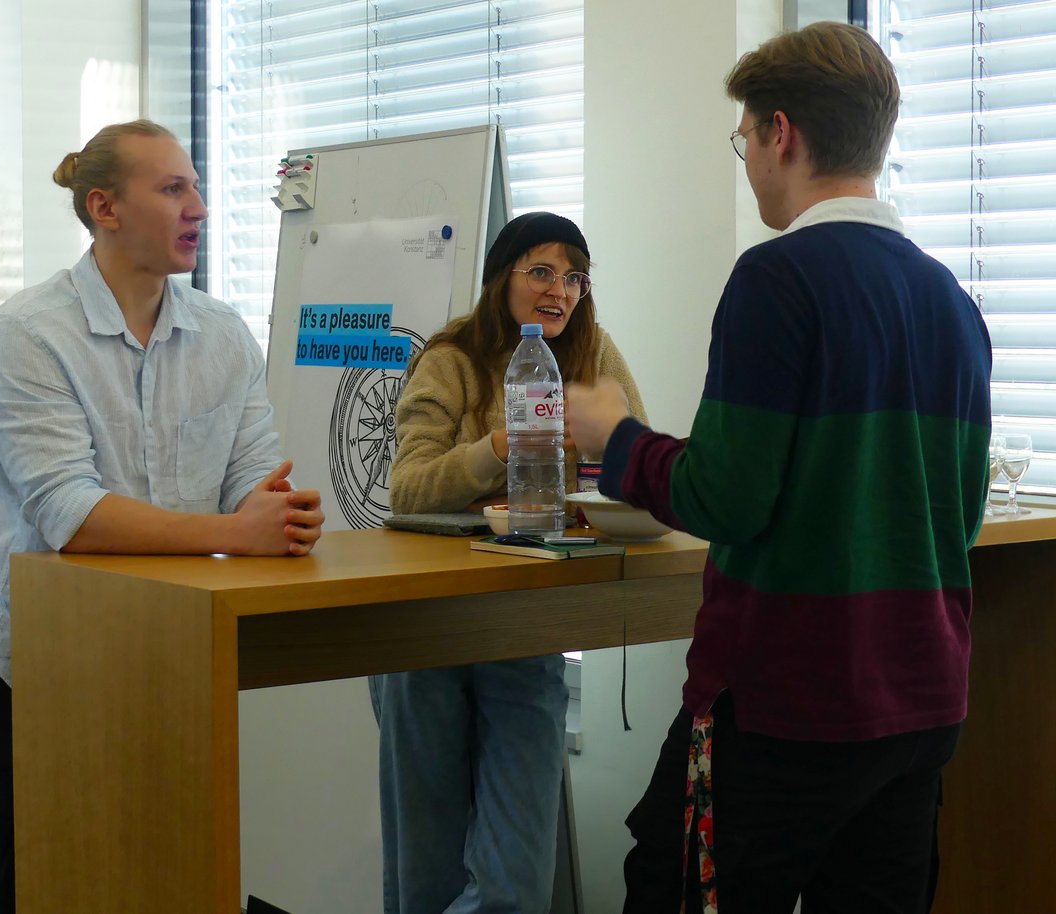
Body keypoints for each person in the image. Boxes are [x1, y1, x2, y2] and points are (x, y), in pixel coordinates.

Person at [566, 22, 991, 914]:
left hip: (789, 703)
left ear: (781, 133)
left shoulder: (777, 279)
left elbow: (726, 492)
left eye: (745, 138)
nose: (749, 159)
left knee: (671, 887)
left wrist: (618, 439)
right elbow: (962, 512)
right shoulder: (953, 303)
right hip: (922, 705)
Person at [0, 119, 324, 914]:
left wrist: (279, 515)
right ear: (104, 208)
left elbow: (258, 480)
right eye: (173, 188)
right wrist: (238, 533)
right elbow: (70, 516)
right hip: (36, 658)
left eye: (196, 186)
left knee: (169, 868)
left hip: (170, 647)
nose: (200, 208)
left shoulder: (220, 332)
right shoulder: (25, 336)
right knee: (48, 884)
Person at [375, 211, 647, 914]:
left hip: (524, 622)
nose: (561, 290)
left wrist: (604, 474)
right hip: (426, 627)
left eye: (575, 277)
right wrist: (499, 445)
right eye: (542, 271)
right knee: (427, 867)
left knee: (516, 883)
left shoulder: (593, 355)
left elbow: (637, 463)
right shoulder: (451, 357)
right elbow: (408, 487)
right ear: (503, 279)